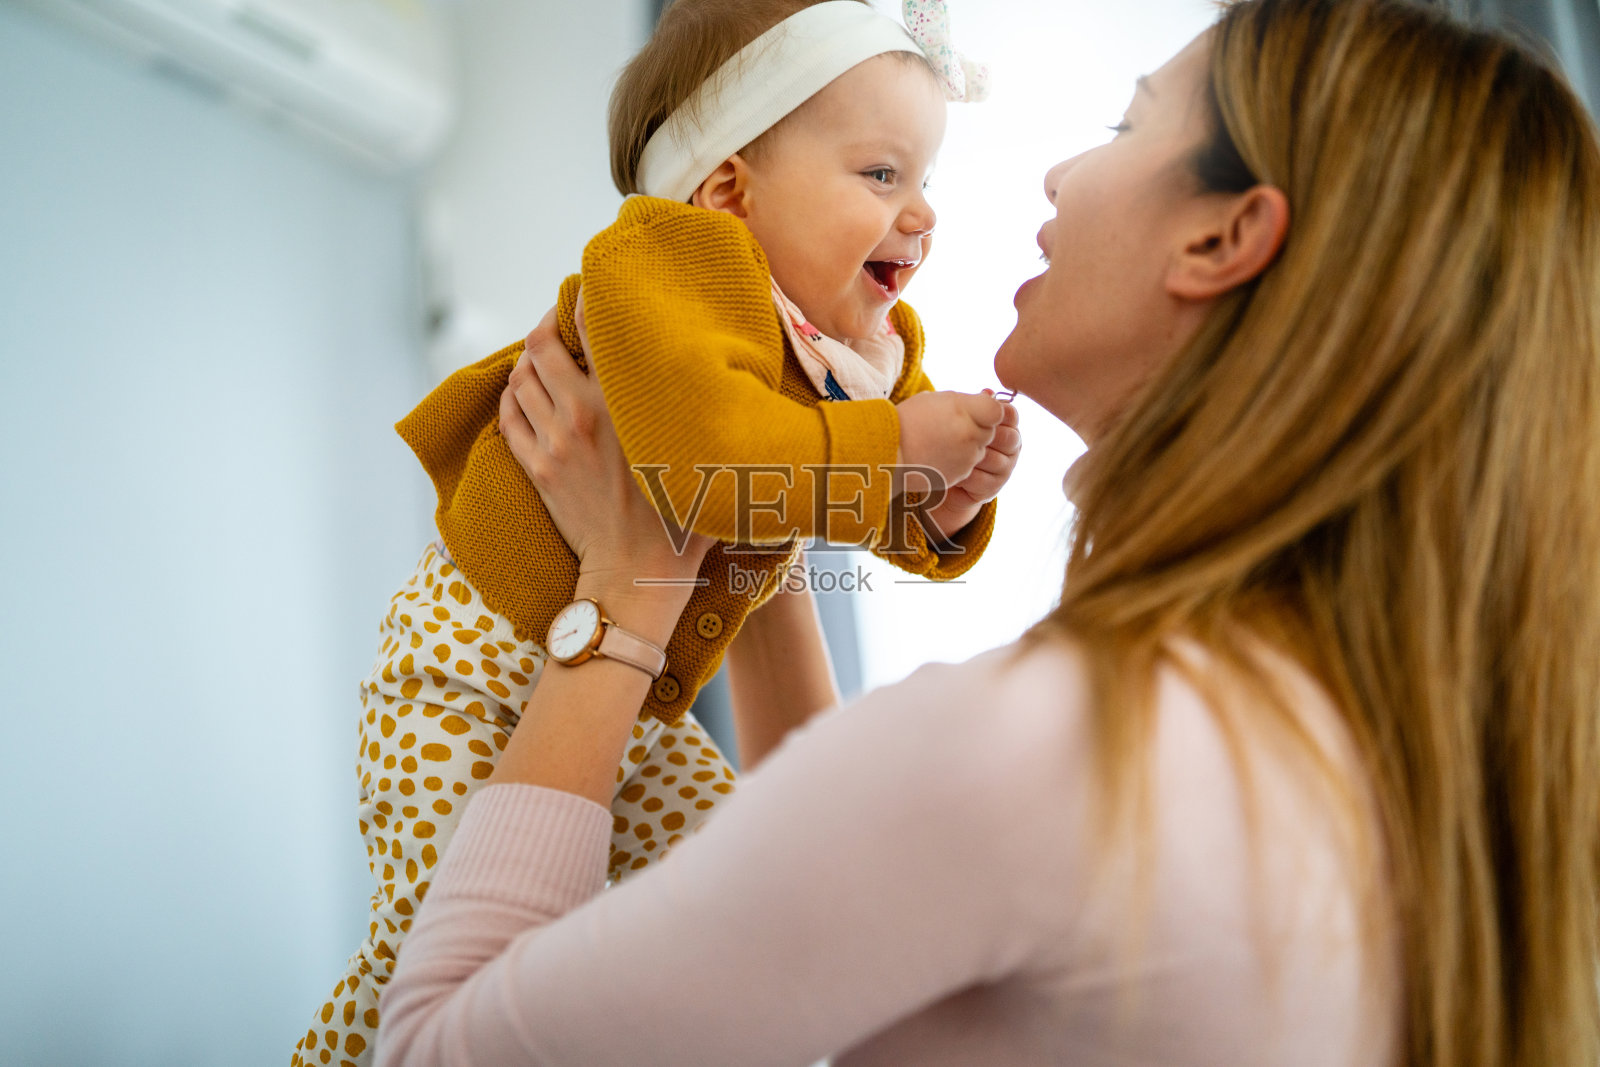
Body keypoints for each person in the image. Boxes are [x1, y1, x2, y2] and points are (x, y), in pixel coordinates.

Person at [374, 0, 1600, 1064]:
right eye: (879, 174)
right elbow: (831, 881)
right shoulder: (1375, 743)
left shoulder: (1052, 749)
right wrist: (759, 516)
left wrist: (630, 586)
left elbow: (431, 1049)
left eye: (1125, 127)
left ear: (1225, 237)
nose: (1061, 174)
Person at [292, 1, 1022, 1063]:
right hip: (468, 659)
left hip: (632, 698)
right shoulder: (666, 258)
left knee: (725, 902)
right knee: (440, 959)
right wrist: (900, 444)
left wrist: (942, 507)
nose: (920, 216)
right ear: (728, 187)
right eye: (880, 175)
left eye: (924, 182)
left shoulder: (858, 334)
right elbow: (716, 471)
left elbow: (831, 496)